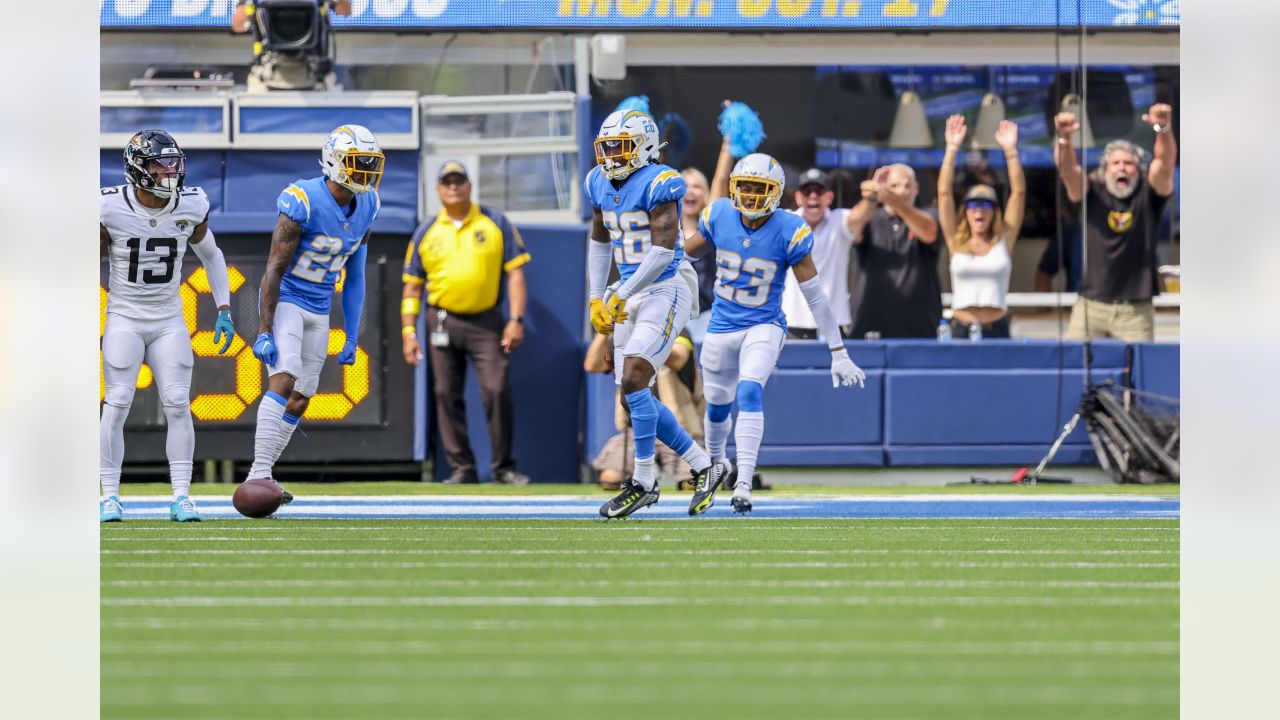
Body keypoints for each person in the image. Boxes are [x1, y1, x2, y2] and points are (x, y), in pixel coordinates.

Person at [684, 153, 866, 514]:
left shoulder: (789, 229)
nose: (750, 196)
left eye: (759, 189)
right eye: (745, 187)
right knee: (718, 408)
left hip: (763, 325)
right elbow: (680, 256)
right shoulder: (718, 214)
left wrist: (838, 350)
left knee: (749, 391)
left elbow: (815, 295)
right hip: (720, 326)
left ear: (777, 192)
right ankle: (715, 467)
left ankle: (744, 483)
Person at [586, 109, 726, 519]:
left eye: (620, 146)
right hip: (627, 290)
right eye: (607, 147)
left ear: (644, 147)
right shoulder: (597, 181)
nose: (611, 155)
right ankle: (705, 466)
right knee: (633, 398)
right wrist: (597, 296)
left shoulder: (661, 181)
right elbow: (598, 239)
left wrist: (620, 293)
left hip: (666, 285)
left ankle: (644, 480)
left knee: (634, 378)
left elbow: (664, 250)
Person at [100, 129, 236, 523]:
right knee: (118, 402)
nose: (170, 171)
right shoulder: (108, 208)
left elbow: (211, 255)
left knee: (178, 404)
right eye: (160, 164)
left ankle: (181, 496)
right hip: (125, 314)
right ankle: (110, 496)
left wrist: (224, 308)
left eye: (173, 162)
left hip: (168, 318)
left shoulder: (191, 204)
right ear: (138, 169)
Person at [247, 124, 384, 500]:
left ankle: (266, 474)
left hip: (320, 306)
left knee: (304, 394)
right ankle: (257, 474)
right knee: (285, 377)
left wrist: (353, 334)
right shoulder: (302, 199)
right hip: (289, 299)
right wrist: (263, 328)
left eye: (371, 163)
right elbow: (273, 268)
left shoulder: (369, 204)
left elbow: (355, 274)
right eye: (359, 163)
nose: (367, 172)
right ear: (334, 162)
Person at [401, 161, 532, 485]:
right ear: (438, 190)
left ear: (470, 186)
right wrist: (408, 331)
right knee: (445, 393)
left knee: (497, 389)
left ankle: (503, 467)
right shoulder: (426, 231)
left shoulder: (494, 221)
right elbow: (412, 286)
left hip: (487, 321)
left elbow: (515, 273)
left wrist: (515, 319)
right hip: (442, 319)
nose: (454, 187)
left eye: (459, 180)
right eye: (447, 182)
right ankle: (462, 467)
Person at [1055, 103, 1177, 342]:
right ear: (1104, 170)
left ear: (1138, 170)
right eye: (1115, 163)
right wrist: (1064, 139)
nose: (1122, 168)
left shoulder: (1148, 193)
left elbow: (1164, 164)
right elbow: (1068, 170)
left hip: (1135, 310)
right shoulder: (1092, 191)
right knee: (1077, 374)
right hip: (1091, 306)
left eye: (1128, 163)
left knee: (1137, 376)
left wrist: (1163, 129)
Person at [937, 115, 1026, 338]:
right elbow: (944, 193)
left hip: (996, 327)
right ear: (965, 212)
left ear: (995, 212)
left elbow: (1018, 193)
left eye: (987, 205)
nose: (979, 211)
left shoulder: (1003, 239)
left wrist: (1011, 152)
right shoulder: (956, 240)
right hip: (961, 327)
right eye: (973, 205)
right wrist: (952, 148)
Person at [584, 331, 705, 492]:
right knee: (610, 478)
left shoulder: (677, 329)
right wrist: (604, 328)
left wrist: (642, 344)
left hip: (678, 430)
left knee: (692, 481)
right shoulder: (621, 333)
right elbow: (592, 365)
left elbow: (678, 359)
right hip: (635, 431)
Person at [848, 163, 942, 339]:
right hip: (869, 329)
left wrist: (895, 201)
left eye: (907, 186)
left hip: (920, 330)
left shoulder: (928, 214)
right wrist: (871, 198)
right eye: (894, 186)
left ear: (917, 189)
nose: (901, 192)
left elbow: (929, 233)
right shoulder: (871, 218)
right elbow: (851, 229)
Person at [779, 168, 859, 340]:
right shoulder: (785, 221)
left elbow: (859, 218)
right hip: (791, 322)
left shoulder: (840, 219)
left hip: (834, 323)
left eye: (819, 191)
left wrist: (872, 197)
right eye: (807, 191)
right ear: (799, 198)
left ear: (829, 197)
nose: (813, 196)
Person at [680, 167, 717, 342]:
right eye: (685, 185)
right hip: (673, 318)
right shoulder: (662, 233)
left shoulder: (712, 231)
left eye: (697, 186)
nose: (690, 191)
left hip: (707, 318)